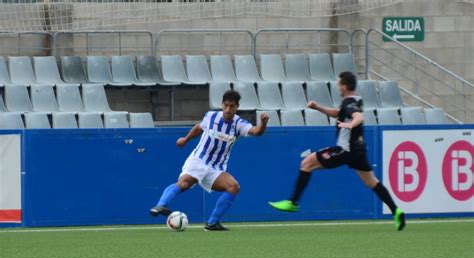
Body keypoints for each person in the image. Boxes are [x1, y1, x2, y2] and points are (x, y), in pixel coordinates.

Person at [269, 71, 406, 231]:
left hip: (345, 149)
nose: (338, 88)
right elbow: (340, 113)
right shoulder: (356, 100)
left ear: (345, 86)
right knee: (371, 182)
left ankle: (292, 202)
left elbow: (358, 117)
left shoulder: (349, 103)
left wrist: (351, 124)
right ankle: (396, 210)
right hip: (358, 150)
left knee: (306, 163)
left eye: (339, 85)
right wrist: (318, 107)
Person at [150, 90, 270, 231]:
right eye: (225, 105)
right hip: (199, 159)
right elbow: (199, 128)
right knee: (185, 183)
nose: (228, 109)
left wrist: (263, 123)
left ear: (237, 107)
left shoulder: (239, 123)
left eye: (231, 106)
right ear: (221, 105)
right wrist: (185, 139)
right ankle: (161, 205)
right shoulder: (211, 116)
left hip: (216, 168)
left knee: (233, 187)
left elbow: (257, 132)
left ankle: (212, 223)